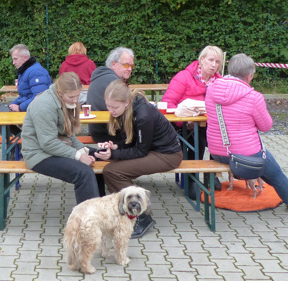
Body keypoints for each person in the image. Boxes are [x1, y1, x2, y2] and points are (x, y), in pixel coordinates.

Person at [205, 54, 288, 211]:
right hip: (245, 155)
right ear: (249, 76)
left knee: (268, 167)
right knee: (272, 169)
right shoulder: (254, 97)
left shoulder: (211, 90)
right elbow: (266, 126)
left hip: (216, 152)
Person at [96, 80, 183, 238]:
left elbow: (140, 151)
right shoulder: (129, 109)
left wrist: (113, 155)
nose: (110, 110)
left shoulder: (143, 115)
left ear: (126, 102)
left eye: (114, 107)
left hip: (168, 155)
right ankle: (124, 210)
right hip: (152, 150)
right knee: (108, 169)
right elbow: (132, 141)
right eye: (108, 106)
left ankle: (142, 217)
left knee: (112, 171)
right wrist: (115, 147)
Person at [21, 72, 100, 206]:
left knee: (99, 156)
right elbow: (48, 143)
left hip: (55, 147)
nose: (75, 100)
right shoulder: (44, 106)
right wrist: (78, 155)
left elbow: (69, 134)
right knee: (84, 172)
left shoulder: (64, 101)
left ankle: (100, 206)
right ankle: (88, 215)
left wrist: (82, 149)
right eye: (71, 97)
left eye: (78, 96)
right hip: (38, 155)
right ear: (59, 92)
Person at [162, 45, 224, 159]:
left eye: (217, 62)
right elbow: (167, 103)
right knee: (199, 142)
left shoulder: (220, 82)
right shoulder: (183, 77)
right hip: (182, 127)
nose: (214, 65)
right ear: (202, 60)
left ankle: (214, 169)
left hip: (208, 126)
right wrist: (184, 120)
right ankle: (193, 170)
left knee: (223, 141)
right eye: (211, 60)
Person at [87, 47, 134, 144]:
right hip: (110, 133)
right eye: (126, 65)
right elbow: (130, 106)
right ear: (113, 64)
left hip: (97, 131)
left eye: (131, 66)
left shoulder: (101, 76)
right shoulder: (113, 82)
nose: (129, 69)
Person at [6, 44, 51, 112]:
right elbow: (24, 95)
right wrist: (13, 104)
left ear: (25, 58)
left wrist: (20, 108)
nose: (13, 63)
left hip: (38, 113)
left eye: (15, 59)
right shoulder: (25, 71)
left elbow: (39, 97)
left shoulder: (36, 72)